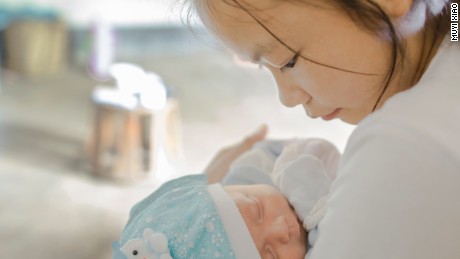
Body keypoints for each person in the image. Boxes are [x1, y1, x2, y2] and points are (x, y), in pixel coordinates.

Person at [184, 0, 460, 258]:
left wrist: (188, 215)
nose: (287, 98)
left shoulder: (403, 148)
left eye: (287, 61)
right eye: (264, 69)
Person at [113, 136, 339, 259]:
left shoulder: (254, 169)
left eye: (257, 210)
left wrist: (298, 175)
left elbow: (317, 151)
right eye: (270, 255)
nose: (281, 229)